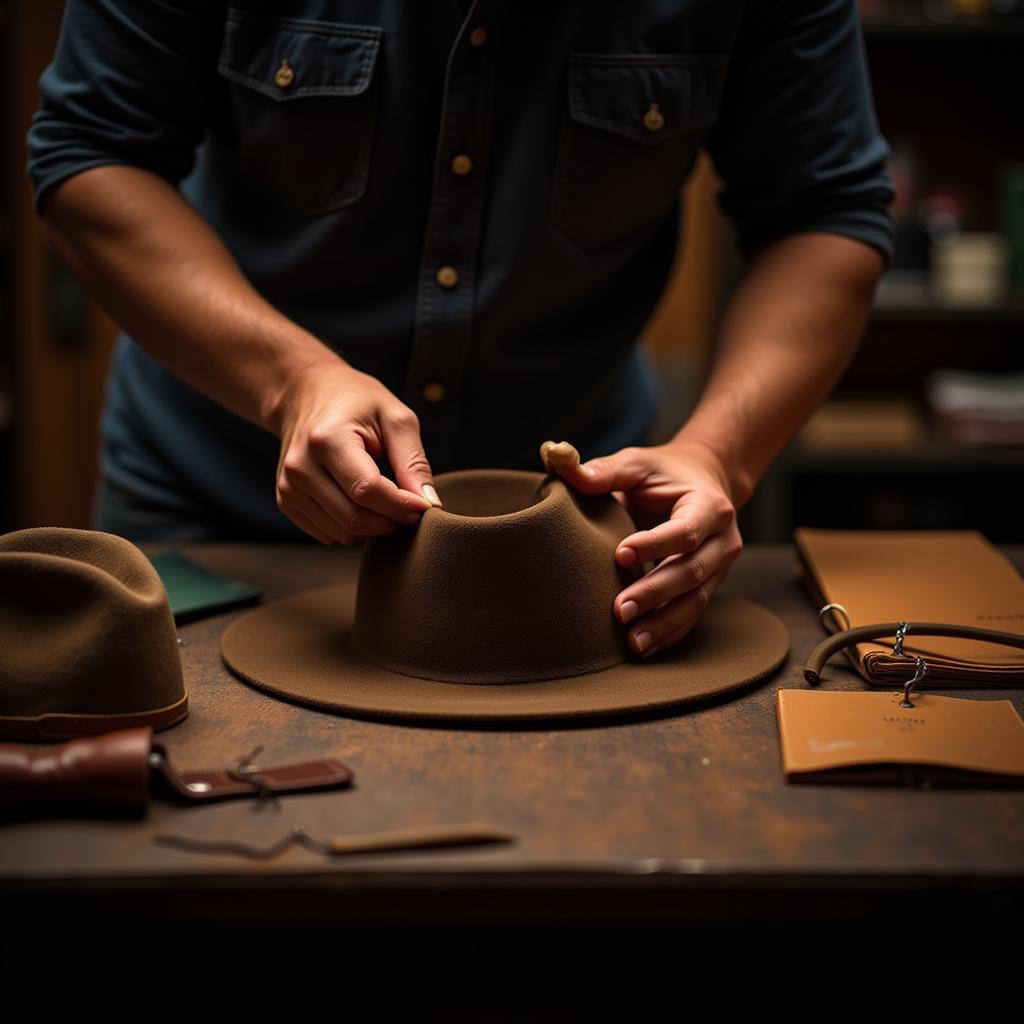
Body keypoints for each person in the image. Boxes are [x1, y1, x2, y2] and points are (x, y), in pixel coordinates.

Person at [27, 1, 896, 660]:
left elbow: (824, 213)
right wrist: (290, 382)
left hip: (585, 550)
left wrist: (720, 452)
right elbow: (91, 155)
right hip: (214, 497)